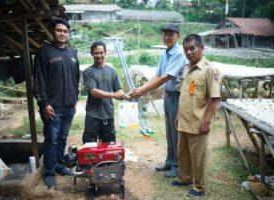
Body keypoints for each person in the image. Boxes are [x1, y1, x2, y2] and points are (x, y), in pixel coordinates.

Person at [130, 23, 187, 178]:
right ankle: (170, 160)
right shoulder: (166, 52)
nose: (167, 37)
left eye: (171, 34)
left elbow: (166, 77)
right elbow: (157, 75)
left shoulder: (180, 54)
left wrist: (143, 90)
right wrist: (141, 88)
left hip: (178, 96)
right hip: (168, 96)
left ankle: (177, 165)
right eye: (165, 34)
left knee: (176, 132)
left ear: (178, 36)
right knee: (169, 131)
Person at [171, 34, 220, 198]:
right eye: (185, 49)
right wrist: (178, 114)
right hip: (184, 120)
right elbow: (185, 95)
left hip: (198, 122)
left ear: (201, 48)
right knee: (183, 152)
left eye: (192, 48)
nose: (189, 52)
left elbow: (214, 99)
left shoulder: (210, 70)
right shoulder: (187, 68)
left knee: (199, 157)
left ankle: (200, 187)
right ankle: (184, 178)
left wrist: (206, 121)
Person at [34, 18, 80, 189]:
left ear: (68, 34)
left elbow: (76, 78)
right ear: (52, 32)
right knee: (51, 140)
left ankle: (60, 166)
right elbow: (38, 80)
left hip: (69, 106)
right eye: (59, 30)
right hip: (52, 108)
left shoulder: (72, 53)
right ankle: (50, 173)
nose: (62, 33)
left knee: (62, 138)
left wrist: (75, 99)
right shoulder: (44, 52)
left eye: (65, 31)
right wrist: (44, 103)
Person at [82, 41, 129, 144]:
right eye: (96, 53)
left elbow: (117, 89)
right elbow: (94, 92)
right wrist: (114, 95)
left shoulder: (112, 71)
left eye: (101, 52)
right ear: (92, 54)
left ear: (105, 52)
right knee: (90, 146)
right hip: (93, 114)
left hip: (108, 114)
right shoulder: (88, 72)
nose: (99, 55)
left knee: (109, 146)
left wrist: (123, 95)